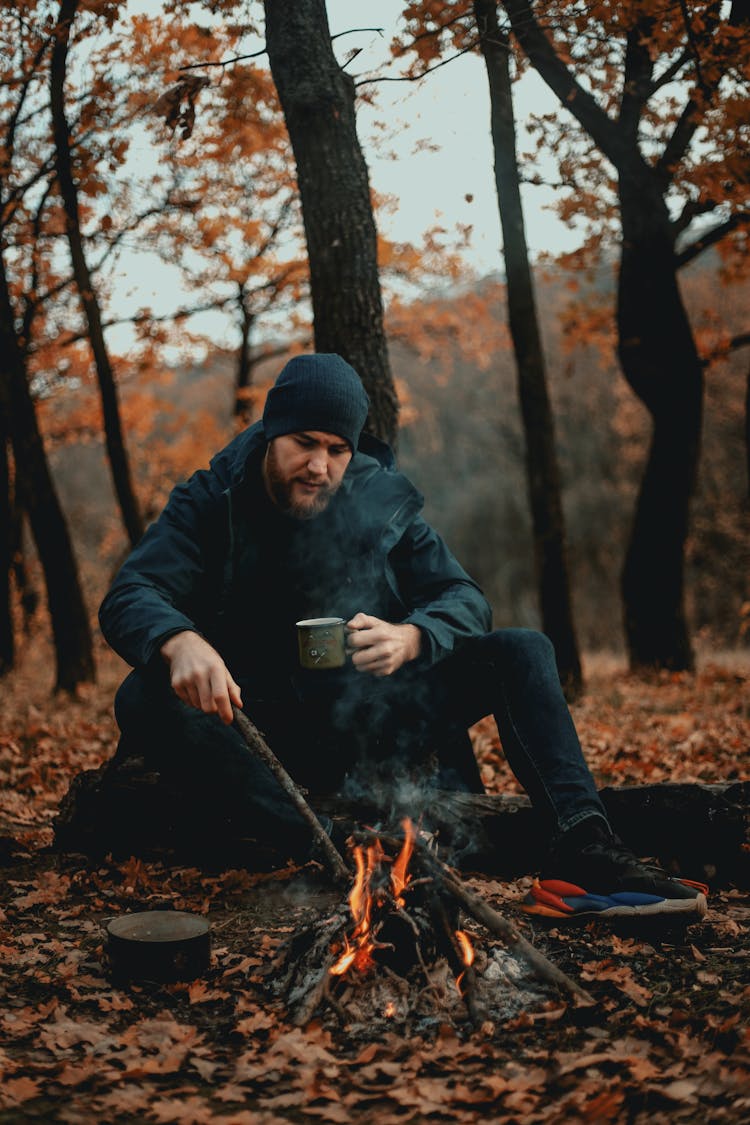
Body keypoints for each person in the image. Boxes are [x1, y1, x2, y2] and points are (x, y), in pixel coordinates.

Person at [100, 353, 707, 921]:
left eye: (337, 449)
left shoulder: (376, 497)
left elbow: (466, 599)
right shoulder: (211, 500)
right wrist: (180, 640)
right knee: (141, 695)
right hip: (259, 734)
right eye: (303, 443)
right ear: (270, 432)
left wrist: (414, 636)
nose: (319, 466)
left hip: (371, 725)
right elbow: (131, 593)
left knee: (523, 650)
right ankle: (327, 846)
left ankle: (584, 849)